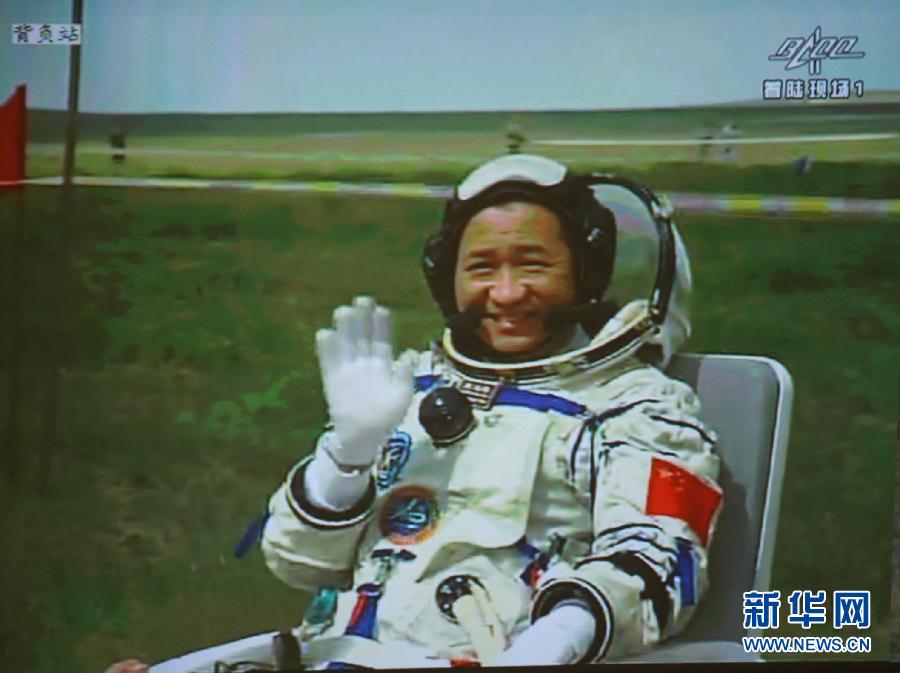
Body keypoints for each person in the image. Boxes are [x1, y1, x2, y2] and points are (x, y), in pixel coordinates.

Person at [259, 154, 723, 668]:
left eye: (533, 265)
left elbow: (660, 556)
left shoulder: (635, 406)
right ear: (446, 278)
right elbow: (298, 564)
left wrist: (560, 637)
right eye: (482, 267)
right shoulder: (402, 389)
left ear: (583, 272)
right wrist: (345, 459)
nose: (505, 293)